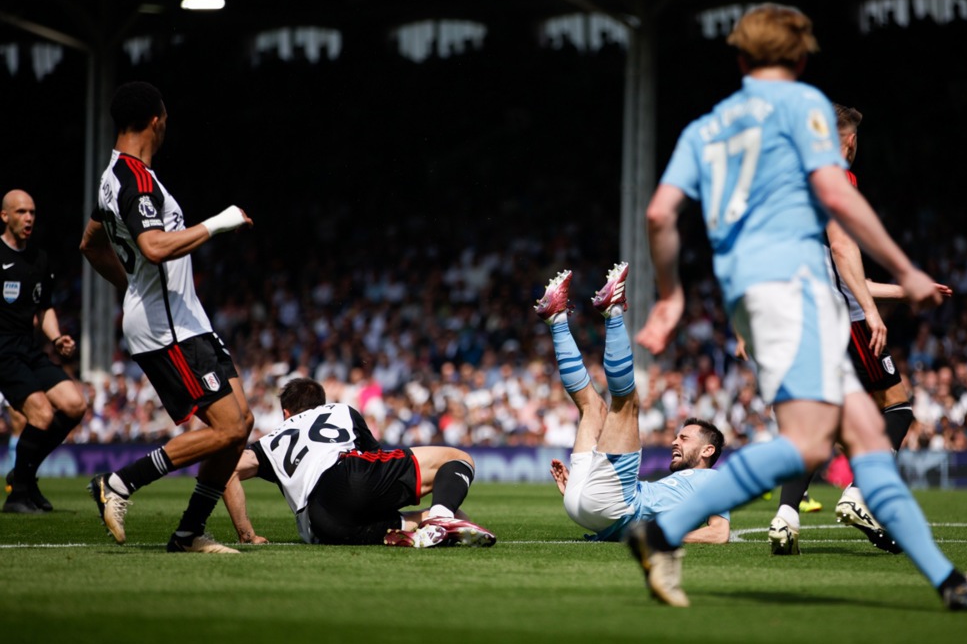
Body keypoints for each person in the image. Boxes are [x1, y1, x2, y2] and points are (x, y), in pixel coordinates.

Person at [628, 3, 967, 610]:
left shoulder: (705, 130)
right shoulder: (804, 114)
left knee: (865, 436)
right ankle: (662, 532)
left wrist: (670, 295)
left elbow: (658, 214)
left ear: (741, 58)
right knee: (809, 444)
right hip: (799, 297)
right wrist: (902, 274)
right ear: (800, 61)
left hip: (754, 298)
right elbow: (839, 214)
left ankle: (951, 584)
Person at [766, 104, 954, 555]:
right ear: (847, 141)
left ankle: (785, 517)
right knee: (898, 408)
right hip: (841, 321)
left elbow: (839, 270)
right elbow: (843, 248)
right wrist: (870, 311)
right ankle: (859, 496)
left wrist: (903, 290)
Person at [79, 81, 255, 553]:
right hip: (166, 325)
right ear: (158, 120)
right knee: (226, 429)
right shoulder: (135, 179)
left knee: (242, 422)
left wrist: (131, 285)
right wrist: (219, 223)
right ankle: (118, 483)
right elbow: (153, 248)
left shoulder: (113, 177)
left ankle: (190, 532)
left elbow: (90, 244)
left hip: (183, 318)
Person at [536, 263, 729, 544]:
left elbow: (719, 534)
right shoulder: (678, 483)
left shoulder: (715, 482)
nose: (675, 442)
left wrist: (659, 535)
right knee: (593, 407)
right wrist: (583, 486)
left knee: (626, 404)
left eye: (685, 438)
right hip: (588, 502)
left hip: (612, 507)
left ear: (708, 450)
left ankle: (613, 312)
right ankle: (557, 321)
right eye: (678, 437)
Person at [222, 377, 496, 548]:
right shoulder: (339, 411)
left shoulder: (271, 441)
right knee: (457, 459)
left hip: (322, 527)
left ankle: (438, 522)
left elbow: (227, 471)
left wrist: (247, 534)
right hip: (347, 477)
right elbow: (373, 456)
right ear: (321, 403)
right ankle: (442, 518)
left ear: (285, 412)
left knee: (432, 519)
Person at [1, 189, 88, 514]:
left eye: (32, 213)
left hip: (30, 348)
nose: (28, 219)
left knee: (75, 405)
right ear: (5, 216)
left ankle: (23, 474)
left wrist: (56, 339)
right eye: (21, 212)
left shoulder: (39, 258)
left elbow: (45, 308)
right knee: (41, 414)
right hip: (4, 352)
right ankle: (18, 493)